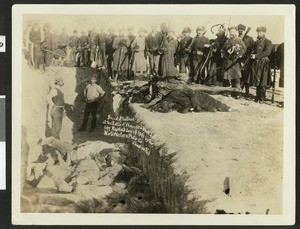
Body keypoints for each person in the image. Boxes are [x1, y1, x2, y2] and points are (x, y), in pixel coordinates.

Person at [221, 26, 246, 96]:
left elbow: (244, 49)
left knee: (236, 77)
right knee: (226, 77)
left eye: (233, 31)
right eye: (230, 31)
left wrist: (238, 53)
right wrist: (223, 52)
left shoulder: (239, 40)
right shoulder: (227, 40)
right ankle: (227, 91)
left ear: (236, 32)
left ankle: (237, 93)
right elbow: (222, 49)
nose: (231, 33)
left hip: (235, 61)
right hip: (227, 61)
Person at [250, 26, 273, 103]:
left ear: (264, 33)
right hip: (256, 63)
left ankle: (262, 98)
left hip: (264, 64)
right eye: (258, 32)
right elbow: (253, 51)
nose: (259, 34)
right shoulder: (256, 42)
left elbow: (267, 52)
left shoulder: (268, 42)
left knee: (263, 80)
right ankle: (257, 96)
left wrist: (256, 56)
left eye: (260, 32)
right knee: (257, 79)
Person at [237, 24, 255, 98]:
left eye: (242, 31)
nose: (240, 32)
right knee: (239, 76)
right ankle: (238, 91)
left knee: (246, 76)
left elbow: (253, 48)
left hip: (247, 60)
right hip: (238, 60)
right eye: (239, 31)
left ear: (244, 31)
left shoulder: (250, 39)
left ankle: (247, 92)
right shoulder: (237, 38)